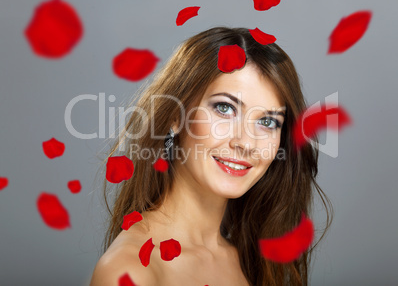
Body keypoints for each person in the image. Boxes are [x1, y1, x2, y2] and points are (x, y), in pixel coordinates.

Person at [90, 27, 333, 286]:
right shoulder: (132, 271)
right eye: (225, 108)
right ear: (175, 116)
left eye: (267, 121)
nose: (246, 143)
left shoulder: (248, 258)